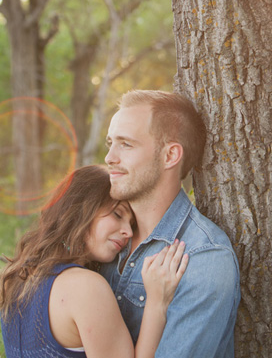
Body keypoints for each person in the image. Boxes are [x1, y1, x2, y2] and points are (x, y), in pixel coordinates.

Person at [102, 90, 240, 358]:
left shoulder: (203, 259)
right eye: (110, 143)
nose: (110, 157)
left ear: (170, 155)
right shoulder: (99, 233)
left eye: (126, 144)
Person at [0, 165, 189, 357]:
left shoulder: (15, 276)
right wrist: (157, 303)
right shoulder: (84, 288)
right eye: (117, 214)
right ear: (81, 208)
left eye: (131, 224)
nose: (129, 232)